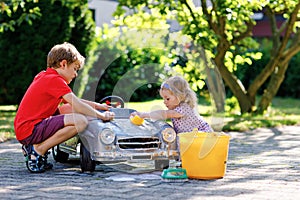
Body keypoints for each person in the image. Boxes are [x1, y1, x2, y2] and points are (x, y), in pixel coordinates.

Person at [14, 42, 115, 173]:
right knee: (80, 121)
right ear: (63, 64)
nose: (76, 74)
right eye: (75, 69)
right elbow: (77, 104)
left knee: (68, 108)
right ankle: (38, 150)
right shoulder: (54, 80)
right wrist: (101, 115)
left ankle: (34, 148)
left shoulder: (45, 76)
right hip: (30, 129)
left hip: (26, 128)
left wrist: (99, 106)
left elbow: (74, 102)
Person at [131, 76, 213, 134]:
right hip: (190, 138)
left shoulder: (183, 108)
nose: (164, 102)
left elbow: (164, 114)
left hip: (202, 137)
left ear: (179, 96)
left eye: (167, 99)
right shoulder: (179, 108)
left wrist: (144, 115)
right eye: (163, 99)